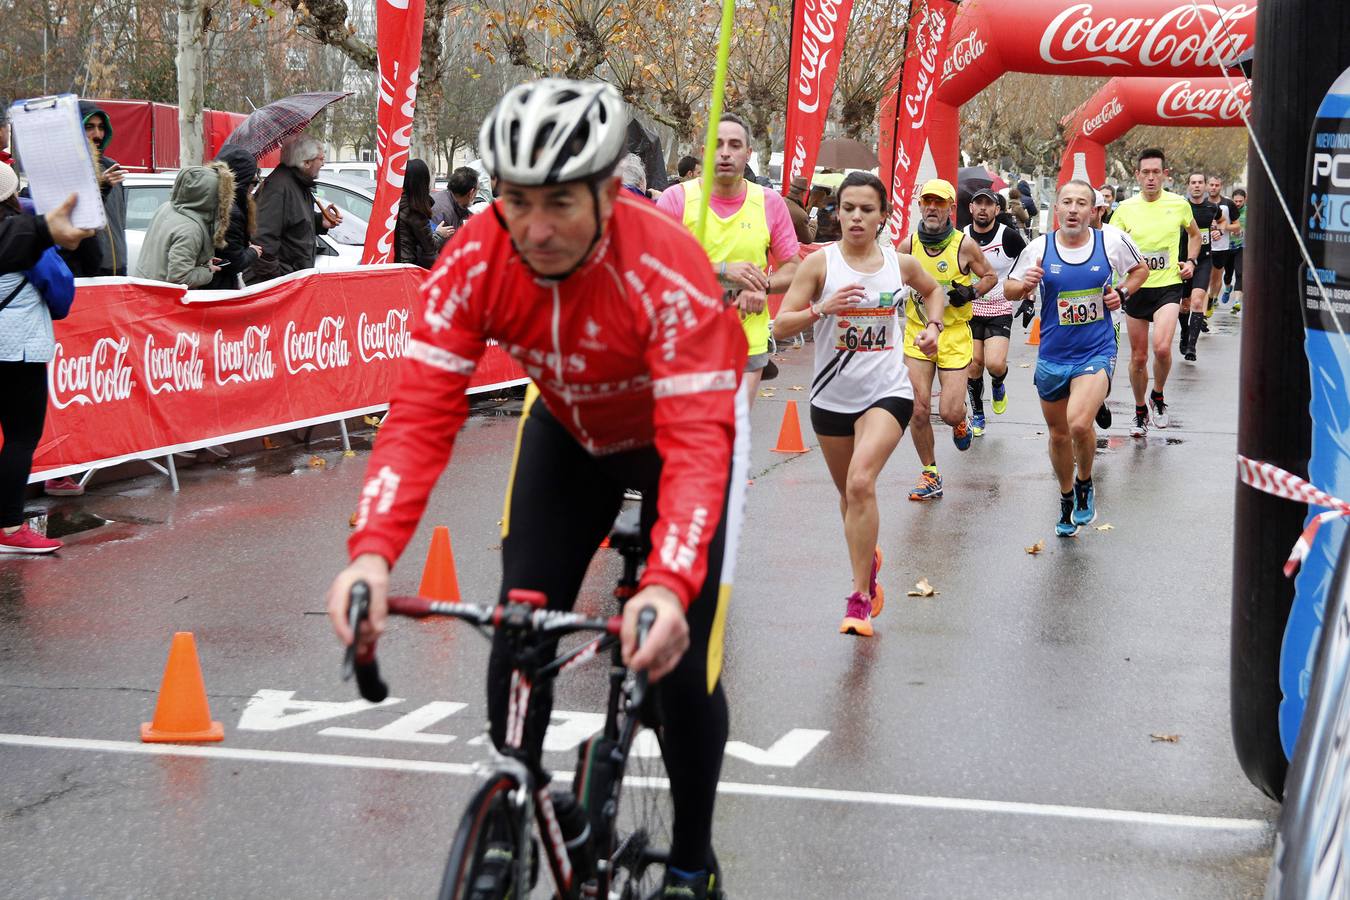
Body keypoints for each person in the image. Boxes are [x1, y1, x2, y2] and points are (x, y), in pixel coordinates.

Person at [326, 78, 747, 900]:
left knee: (681, 666)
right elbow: (418, 415)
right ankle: (520, 810)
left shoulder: (665, 266)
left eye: (561, 202)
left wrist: (666, 583)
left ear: (607, 190)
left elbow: (699, 447)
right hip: (570, 435)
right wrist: (371, 556)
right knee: (518, 624)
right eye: (517, 201)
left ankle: (692, 864)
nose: (537, 227)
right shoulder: (477, 255)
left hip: (675, 443)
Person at [772, 172, 944, 636]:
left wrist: (933, 327)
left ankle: (859, 599)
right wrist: (819, 310)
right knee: (848, 497)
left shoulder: (899, 264)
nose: (855, 217)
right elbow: (781, 326)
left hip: (887, 391)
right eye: (848, 208)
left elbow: (934, 290)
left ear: (883, 216)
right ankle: (868, 558)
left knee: (862, 481)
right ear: (837, 213)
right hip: (831, 398)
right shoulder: (820, 266)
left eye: (867, 209)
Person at [1005, 181, 1148, 537]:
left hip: (1096, 350)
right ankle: (1066, 496)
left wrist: (1123, 293)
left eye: (1081, 203)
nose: (1073, 209)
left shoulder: (1110, 242)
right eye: (1066, 202)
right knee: (1057, 435)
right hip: (1053, 355)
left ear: (1094, 210)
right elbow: (1006, 287)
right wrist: (1024, 286)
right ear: (1056, 209)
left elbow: (1140, 270)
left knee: (1079, 424)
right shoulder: (1039, 247)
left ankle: (1085, 484)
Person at [656, 113, 800, 405]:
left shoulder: (769, 203)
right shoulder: (676, 199)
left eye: (735, 145)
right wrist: (723, 271)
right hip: (685, 340)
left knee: (731, 431)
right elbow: (654, 268)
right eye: (717, 144)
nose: (725, 152)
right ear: (704, 152)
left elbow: (794, 268)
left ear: (748, 154)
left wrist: (763, 287)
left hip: (747, 339)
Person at [897, 179, 997, 501]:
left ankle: (961, 421)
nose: (932, 208)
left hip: (953, 334)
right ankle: (931, 473)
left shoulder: (964, 246)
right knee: (918, 408)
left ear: (951, 208)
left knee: (950, 411)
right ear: (919, 206)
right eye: (927, 201)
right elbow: (887, 279)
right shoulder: (907, 246)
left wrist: (971, 291)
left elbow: (990, 276)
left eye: (939, 203)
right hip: (917, 332)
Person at [1108, 148, 1201, 436]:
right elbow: (1109, 246)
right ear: (1137, 175)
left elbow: (1195, 235)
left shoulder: (1179, 205)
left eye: (1155, 172)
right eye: (1145, 172)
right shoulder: (1124, 209)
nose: (1150, 178)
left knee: (1161, 348)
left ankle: (1157, 395)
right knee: (1138, 357)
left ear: (1164, 174)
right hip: (1135, 289)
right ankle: (1139, 409)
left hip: (1168, 287)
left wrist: (1192, 261)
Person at [0, 162, 69, 553]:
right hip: (18, 349)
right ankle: (9, 527)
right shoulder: (22, 238)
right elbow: (61, 294)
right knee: (21, 437)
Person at [963, 187, 1026, 436]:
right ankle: (978, 414)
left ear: (997, 210)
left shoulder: (1008, 236)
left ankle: (999, 383)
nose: (982, 208)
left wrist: (1028, 297)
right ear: (971, 208)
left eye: (988, 204)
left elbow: (1028, 262)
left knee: (994, 364)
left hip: (999, 306)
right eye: (978, 204)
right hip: (969, 309)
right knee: (974, 365)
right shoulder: (962, 237)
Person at [249, 134, 341, 283]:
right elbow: (263, 239)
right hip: (283, 284)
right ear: (306, 163)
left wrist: (319, 221)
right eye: (321, 159)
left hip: (294, 280)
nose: (323, 164)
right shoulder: (278, 188)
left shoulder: (298, 184)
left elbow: (295, 224)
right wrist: (277, 282)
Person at [134, 163, 232, 288]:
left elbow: (166, 254)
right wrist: (208, 271)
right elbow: (179, 278)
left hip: (146, 286)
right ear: (210, 196)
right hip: (162, 298)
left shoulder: (167, 207)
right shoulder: (190, 229)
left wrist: (202, 260)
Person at [79, 102, 128, 277]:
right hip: (88, 271)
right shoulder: (69, 170)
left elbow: (119, 222)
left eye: (101, 127)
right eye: (89, 127)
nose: (97, 134)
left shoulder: (111, 166)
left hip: (117, 267)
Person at [1178, 172, 1221, 363]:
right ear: (1188, 185)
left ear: (1205, 186)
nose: (1197, 186)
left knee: (1196, 302)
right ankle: (1185, 332)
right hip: (1182, 261)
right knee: (1184, 305)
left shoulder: (1212, 208)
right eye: (1193, 182)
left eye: (1200, 182)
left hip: (1203, 260)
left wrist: (1218, 231)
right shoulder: (1180, 207)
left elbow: (1221, 222)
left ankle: (1192, 347)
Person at [208, 146, 264, 290]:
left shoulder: (212, 199)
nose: (253, 189)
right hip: (217, 287)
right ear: (242, 182)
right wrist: (252, 252)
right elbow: (232, 261)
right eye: (254, 182)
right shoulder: (230, 212)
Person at [395, 159, 451, 268]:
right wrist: (440, 233)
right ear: (424, 181)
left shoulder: (396, 204)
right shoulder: (415, 210)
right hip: (406, 268)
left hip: (393, 263)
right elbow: (430, 247)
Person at [1205, 175, 1241, 314]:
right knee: (1204, 276)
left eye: (1217, 185)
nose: (1214, 188)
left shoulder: (1228, 204)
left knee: (1216, 277)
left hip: (1222, 247)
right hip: (1204, 247)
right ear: (1207, 185)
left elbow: (1237, 227)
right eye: (1211, 185)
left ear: (1221, 186)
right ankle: (1206, 303)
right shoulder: (1201, 202)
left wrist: (1223, 227)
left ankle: (1212, 297)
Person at [1224, 187, 1246, 311]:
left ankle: (1237, 302)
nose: (1237, 204)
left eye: (1240, 201)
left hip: (1241, 246)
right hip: (1227, 246)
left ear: (1245, 200)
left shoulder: (1249, 212)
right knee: (1228, 274)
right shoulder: (1227, 210)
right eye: (1236, 201)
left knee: (1239, 273)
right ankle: (1227, 288)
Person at [784, 175, 815, 244]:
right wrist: (813, 224)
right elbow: (807, 239)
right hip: (784, 250)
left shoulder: (778, 201)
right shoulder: (800, 215)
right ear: (803, 192)